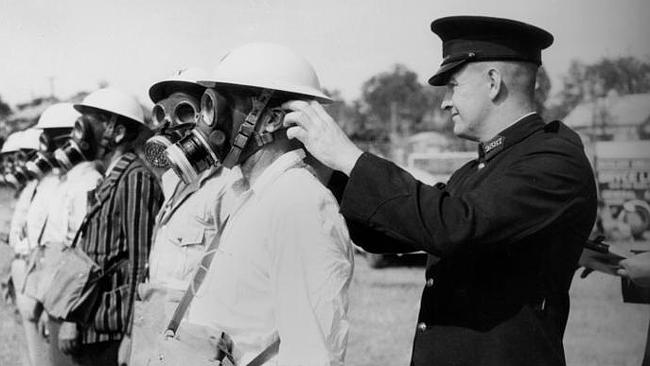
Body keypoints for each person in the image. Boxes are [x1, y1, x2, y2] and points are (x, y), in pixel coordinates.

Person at [283, 16, 598, 366]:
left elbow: (453, 227)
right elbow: (402, 230)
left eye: (453, 85)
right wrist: (331, 173)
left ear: (493, 82)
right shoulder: (485, 166)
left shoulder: (554, 160)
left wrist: (351, 158)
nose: (445, 102)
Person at [162, 42, 354, 365]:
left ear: (271, 119)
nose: (208, 122)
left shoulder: (299, 203)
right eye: (209, 106)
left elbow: (313, 353)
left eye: (220, 107)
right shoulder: (247, 193)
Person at [126, 67, 233, 366]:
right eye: (160, 114)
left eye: (184, 112)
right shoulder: (173, 182)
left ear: (210, 114)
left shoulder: (228, 185)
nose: (168, 124)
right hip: (157, 332)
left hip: (194, 340)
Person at [53, 88, 163, 366]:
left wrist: (132, 334)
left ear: (117, 131)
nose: (82, 132)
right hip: (93, 325)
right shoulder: (109, 178)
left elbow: (142, 263)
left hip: (112, 332)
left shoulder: (135, 179)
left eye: (93, 120)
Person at [24, 103, 104, 366]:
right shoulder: (67, 182)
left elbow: (81, 250)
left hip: (70, 299)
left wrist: (68, 311)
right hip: (57, 295)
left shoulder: (87, 182)